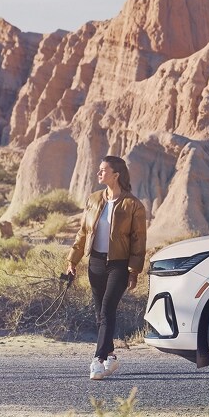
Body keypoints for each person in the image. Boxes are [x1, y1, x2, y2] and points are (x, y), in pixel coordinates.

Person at [66, 156, 147, 380]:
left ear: (116, 174)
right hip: (96, 263)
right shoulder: (93, 199)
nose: (98, 173)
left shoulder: (133, 205)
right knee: (100, 312)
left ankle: (98, 359)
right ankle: (111, 355)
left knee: (107, 310)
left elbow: (138, 241)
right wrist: (72, 260)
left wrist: (134, 270)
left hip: (119, 265)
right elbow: (83, 232)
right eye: (99, 170)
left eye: (103, 170)